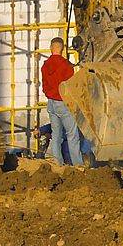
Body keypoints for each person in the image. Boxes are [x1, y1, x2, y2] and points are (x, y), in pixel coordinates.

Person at [40, 37, 83, 166]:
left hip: (51, 103)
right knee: (72, 135)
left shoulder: (45, 65)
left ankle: (58, 164)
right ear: (63, 49)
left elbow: (44, 85)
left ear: (51, 48)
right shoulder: (66, 66)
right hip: (63, 103)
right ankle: (78, 165)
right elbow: (71, 86)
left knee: (56, 136)